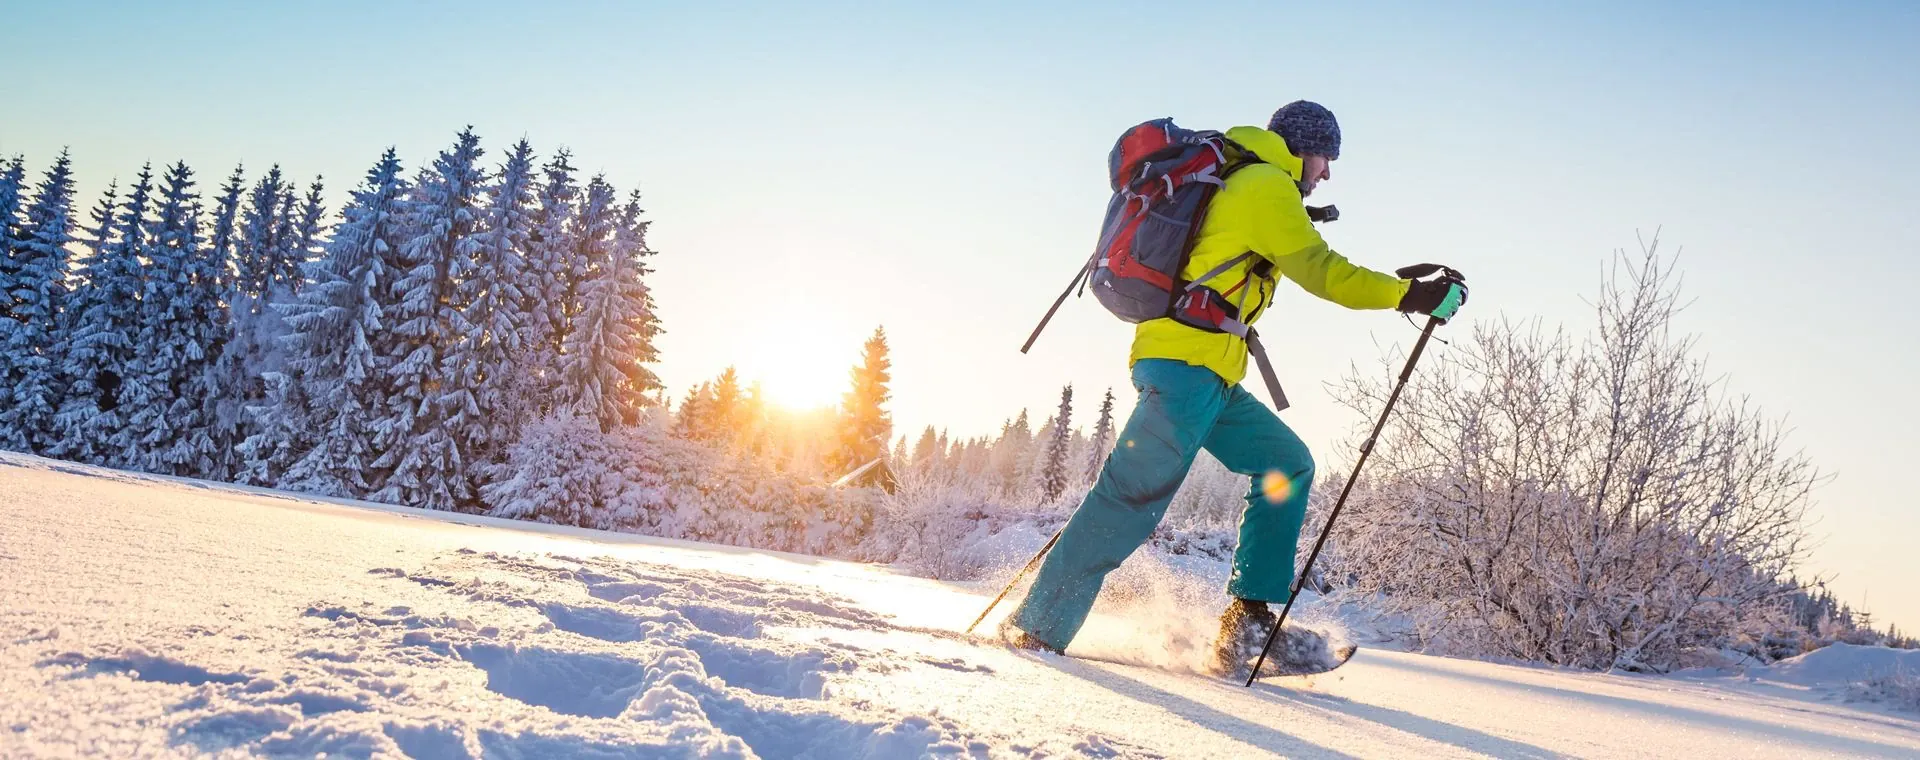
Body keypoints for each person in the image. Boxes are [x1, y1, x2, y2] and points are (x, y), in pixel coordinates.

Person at [1003, 101, 1467, 669]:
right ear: (1301, 148)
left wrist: (1396, 287)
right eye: (1325, 157)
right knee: (1127, 502)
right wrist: (1406, 296)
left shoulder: (1255, 184)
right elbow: (1322, 271)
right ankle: (1035, 634)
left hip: (1210, 372)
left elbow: (1303, 257)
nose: (1326, 172)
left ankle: (1245, 625)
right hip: (1185, 370)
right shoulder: (1263, 185)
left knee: (1285, 463)